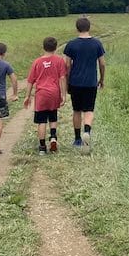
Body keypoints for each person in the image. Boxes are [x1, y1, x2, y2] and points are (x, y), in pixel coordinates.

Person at [63, 17, 105, 152]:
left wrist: (67, 81)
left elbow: (67, 65)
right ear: (89, 27)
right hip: (91, 82)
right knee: (89, 110)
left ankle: (77, 139)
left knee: (76, 110)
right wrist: (102, 79)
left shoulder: (71, 44)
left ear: (77, 28)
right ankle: (87, 131)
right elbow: (102, 63)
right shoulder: (97, 44)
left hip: (75, 82)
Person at [24, 36, 67, 155]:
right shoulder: (59, 60)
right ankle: (53, 137)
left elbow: (30, 81)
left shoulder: (37, 62)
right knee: (53, 116)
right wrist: (63, 94)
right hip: (54, 93)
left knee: (41, 121)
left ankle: (42, 147)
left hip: (41, 94)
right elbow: (62, 78)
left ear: (43, 47)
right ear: (56, 47)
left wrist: (27, 96)